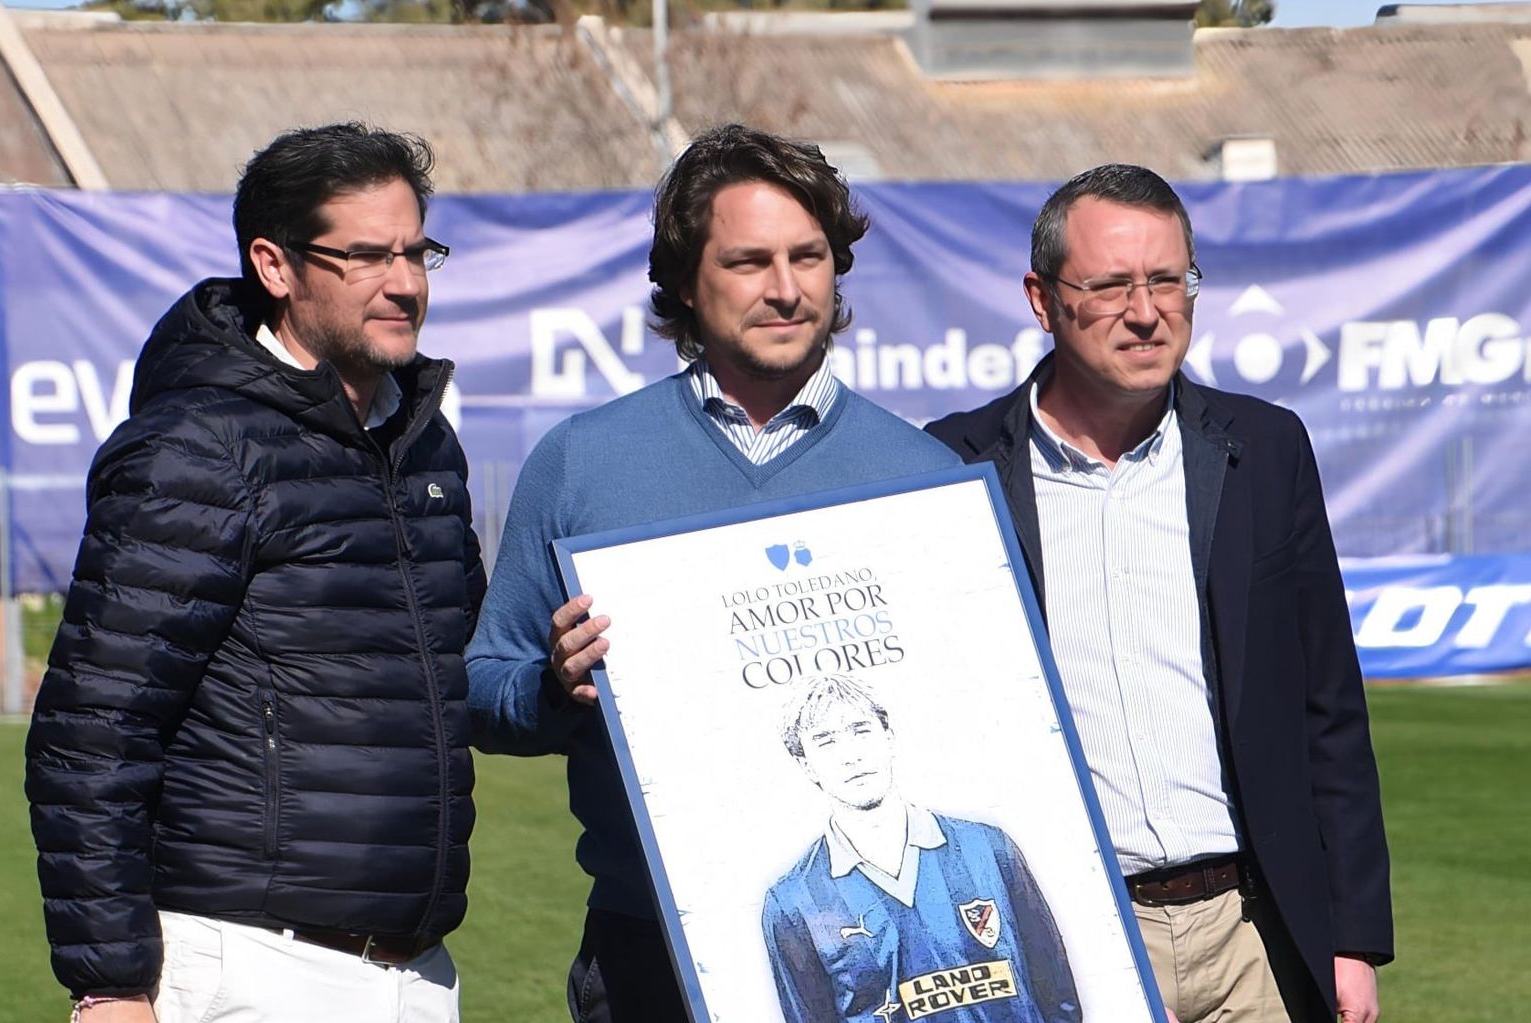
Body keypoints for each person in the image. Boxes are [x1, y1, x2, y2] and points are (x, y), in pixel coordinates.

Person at [465, 123, 960, 1022]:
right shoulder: (583, 461)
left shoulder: (923, 478)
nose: (784, 288)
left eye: (808, 256)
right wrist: (554, 686)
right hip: (648, 948)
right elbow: (480, 687)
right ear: (684, 282)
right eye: (747, 261)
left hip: (879, 944)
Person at [24, 122, 487, 1023]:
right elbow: (90, 733)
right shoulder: (197, 448)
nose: (403, 282)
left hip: (418, 972)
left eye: (415, 251)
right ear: (274, 266)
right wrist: (113, 983)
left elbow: (461, 674)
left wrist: (552, 672)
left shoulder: (426, 441)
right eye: (364, 255)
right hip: (248, 967)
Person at [925, 165, 1392, 1023]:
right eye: (1109, 285)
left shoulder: (1267, 447)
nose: (1146, 311)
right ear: (1042, 298)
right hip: (1084, 937)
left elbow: (1329, 707)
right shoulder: (952, 469)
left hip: (1260, 936)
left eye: (1168, 279)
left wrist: (1354, 937)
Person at [762, 675, 1080, 1023]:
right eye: (825, 741)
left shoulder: (987, 849)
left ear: (889, 737)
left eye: (860, 730)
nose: (850, 755)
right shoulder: (792, 901)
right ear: (805, 763)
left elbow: (1057, 993)